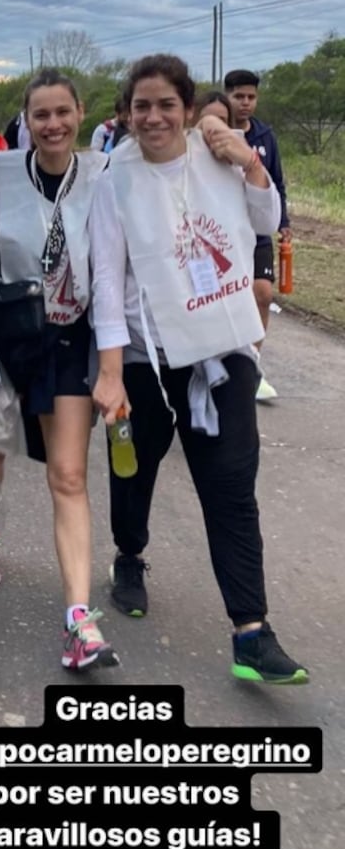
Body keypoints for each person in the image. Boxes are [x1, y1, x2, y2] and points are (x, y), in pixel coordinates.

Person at [91, 53, 308, 685]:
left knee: (232, 491)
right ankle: (129, 555)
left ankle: (251, 632)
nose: (153, 116)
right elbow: (108, 281)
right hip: (146, 360)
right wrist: (109, 370)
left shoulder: (220, 157)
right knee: (134, 473)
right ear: (126, 114)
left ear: (187, 110)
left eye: (166, 105)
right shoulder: (113, 179)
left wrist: (249, 162)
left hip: (223, 351)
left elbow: (268, 221)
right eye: (141, 106)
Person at [0, 68, 115, 668]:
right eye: (40, 115)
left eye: (62, 112)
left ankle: (78, 621)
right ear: (25, 122)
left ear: (81, 113)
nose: (52, 124)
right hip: (8, 333)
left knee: (68, 476)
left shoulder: (106, 176)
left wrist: (112, 365)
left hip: (69, 338)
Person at [223, 69, 289, 403]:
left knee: (262, 294)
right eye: (239, 96)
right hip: (224, 233)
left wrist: (284, 222)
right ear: (227, 96)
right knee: (228, 299)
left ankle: (252, 366)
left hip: (258, 230)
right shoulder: (216, 135)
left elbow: (276, 181)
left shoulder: (265, 135)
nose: (245, 103)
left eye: (251, 97)